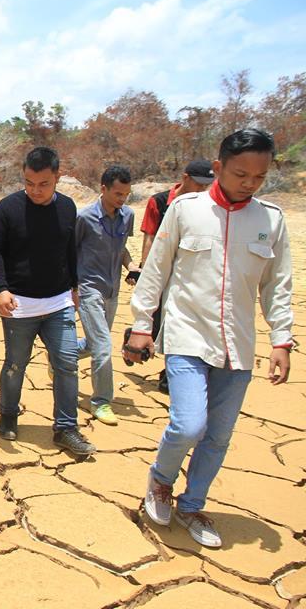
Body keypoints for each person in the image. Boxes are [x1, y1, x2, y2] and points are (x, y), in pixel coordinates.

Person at [127, 129, 292, 548]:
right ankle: (161, 481)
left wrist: (281, 340)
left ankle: (192, 505)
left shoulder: (271, 220)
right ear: (218, 167)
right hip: (187, 335)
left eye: (259, 176)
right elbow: (156, 270)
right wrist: (142, 325)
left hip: (238, 345)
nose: (250, 183)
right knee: (188, 424)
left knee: (218, 437)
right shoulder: (186, 210)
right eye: (240, 174)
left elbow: (277, 286)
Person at [0, 146, 96, 456]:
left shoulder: (68, 208)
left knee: (67, 363)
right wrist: (0, 289)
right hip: (19, 305)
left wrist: (74, 286)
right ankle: (8, 414)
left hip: (58, 302)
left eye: (43, 183)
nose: (35, 190)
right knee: (15, 364)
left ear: (57, 177)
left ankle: (66, 428)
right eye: (29, 183)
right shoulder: (7, 208)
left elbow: (69, 249)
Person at [138, 159, 215, 393]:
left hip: (187, 277)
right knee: (157, 320)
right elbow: (150, 237)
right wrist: (144, 272)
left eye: (207, 185)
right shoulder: (159, 202)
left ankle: (168, 375)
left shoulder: (207, 206)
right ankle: (135, 335)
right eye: (199, 184)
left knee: (178, 323)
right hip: (161, 271)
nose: (202, 189)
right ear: (185, 178)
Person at [75, 165, 139, 425]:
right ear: (103, 189)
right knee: (103, 346)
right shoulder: (84, 217)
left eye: (126, 194)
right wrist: (72, 287)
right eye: (117, 194)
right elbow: (70, 252)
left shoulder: (128, 216)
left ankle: (61, 355)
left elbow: (121, 248)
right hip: (88, 288)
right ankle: (101, 401)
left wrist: (131, 266)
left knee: (93, 344)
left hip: (112, 289)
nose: (122, 199)